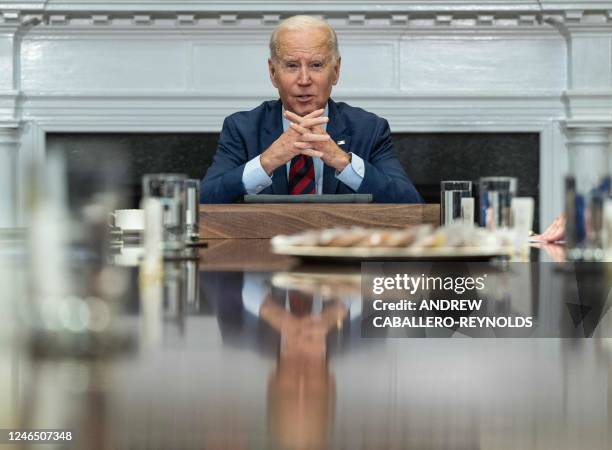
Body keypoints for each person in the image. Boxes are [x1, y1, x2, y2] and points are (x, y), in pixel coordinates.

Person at [200, 15, 422, 203]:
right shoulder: (242, 128)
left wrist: (343, 162)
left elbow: (412, 205)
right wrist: (267, 161)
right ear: (272, 72)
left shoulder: (369, 129)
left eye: (316, 65)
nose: (304, 79)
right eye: (291, 65)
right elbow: (203, 202)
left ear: (335, 71)